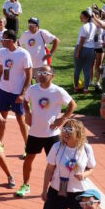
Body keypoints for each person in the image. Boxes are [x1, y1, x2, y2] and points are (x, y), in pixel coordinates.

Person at [29, 118, 96, 209]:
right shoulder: (57, 147)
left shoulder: (87, 149)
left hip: (80, 194)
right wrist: (44, 189)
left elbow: (91, 168)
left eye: (69, 130)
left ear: (78, 132)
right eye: (64, 129)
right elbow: (49, 169)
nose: (66, 133)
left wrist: (84, 174)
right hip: (57, 191)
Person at [17, 67, 76, 197]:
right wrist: (27, 113)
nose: (41, 75)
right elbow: (25, 102)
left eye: (45, 73)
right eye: (39, 73)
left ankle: (55, 187)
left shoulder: (58, 91)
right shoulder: (33, 89)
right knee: (28, 159)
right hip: (34, 133)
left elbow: (73, 105)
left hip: (52, 134)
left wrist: (63, 118)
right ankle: (25, 185)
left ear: (52, 76)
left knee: (57, 162)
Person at [0, 29, 34, 143]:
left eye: (4, 39)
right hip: (4, 90)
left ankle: (27, 146)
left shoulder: (24, 54)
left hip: (17, 92)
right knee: (1, 118)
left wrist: (23, 93)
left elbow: (29, 75)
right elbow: (0, 70)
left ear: (11, 41)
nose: (2, 41)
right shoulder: (3, 52)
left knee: (20, 120)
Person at [74, 10, 102, 92]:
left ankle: (76, 87)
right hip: (90, 50)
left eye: (81, 17)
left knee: (78, 69)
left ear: (87, 18)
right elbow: (100, 26)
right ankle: (86, 89)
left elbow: (82, 40)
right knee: (87, 69)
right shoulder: (94, 25)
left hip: (82, 48)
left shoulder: (84, 27)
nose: (80, 19)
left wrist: (78, 51)